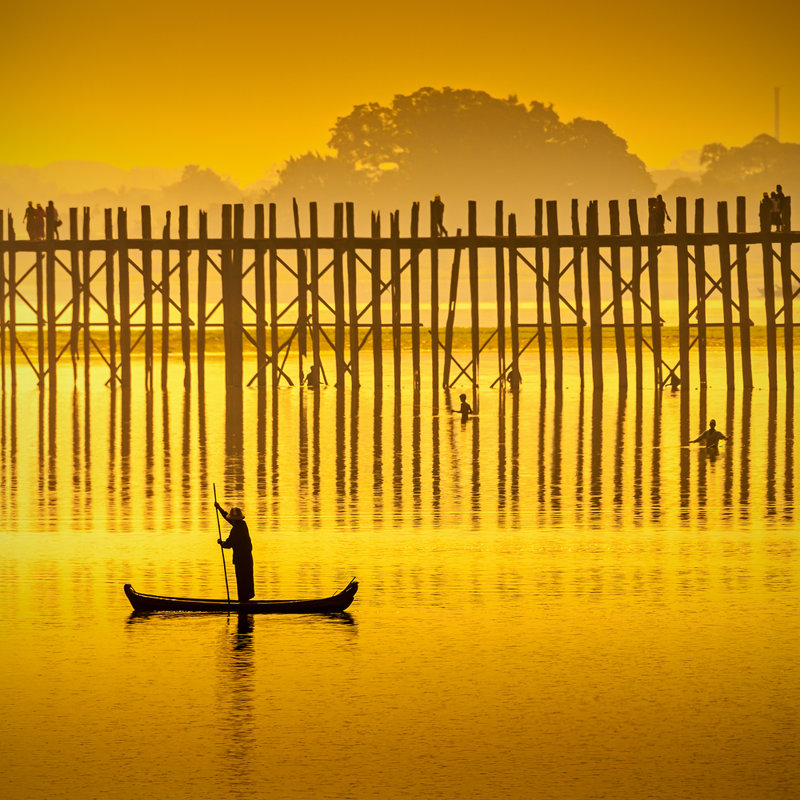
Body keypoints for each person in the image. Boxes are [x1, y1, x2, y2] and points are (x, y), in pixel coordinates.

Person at [215, 503, 255, 602]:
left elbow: (228, 544)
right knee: (246, 583)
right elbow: (228, 518)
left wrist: (221, 543)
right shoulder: (242, 524)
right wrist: (219, 508)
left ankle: (243, 606)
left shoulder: (236, 530)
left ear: (234, 519)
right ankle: (245, 604)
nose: (231, 520)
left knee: (242, 583)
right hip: (247, 560)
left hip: (242, 561)